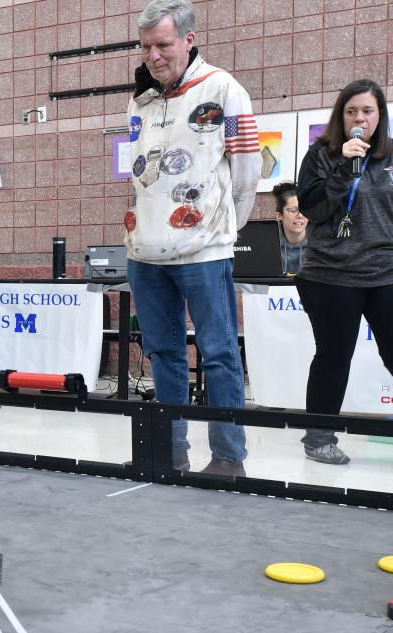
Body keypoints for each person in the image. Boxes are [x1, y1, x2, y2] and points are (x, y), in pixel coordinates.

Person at [124, 0, 261, 476]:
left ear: (189, 39)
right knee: (162, 353)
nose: (153, 55)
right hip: (145, 251)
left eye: (163, 44)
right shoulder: (140, 98)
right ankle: (170, 449)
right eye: (146, 47)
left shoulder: (224, 88)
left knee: (219, 352)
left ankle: (227, 457)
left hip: (204, 250)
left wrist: (221, 229)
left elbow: (246, 173)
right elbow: (140, 174)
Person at [295, 79, 393, 465]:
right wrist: (342, 171)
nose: (359, 118)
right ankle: (318, 439)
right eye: (352, 111)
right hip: (331, 274)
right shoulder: (321, 155)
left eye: (367, 111)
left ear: (380, 116)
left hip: (385, 271)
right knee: (334, 356)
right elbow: (313, 209)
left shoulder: (390, 156)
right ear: (341, 117)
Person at [271, 181, 307, 274]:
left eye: (304, 209)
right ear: (279, 215)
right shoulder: (269, 244)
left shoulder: (320, 242)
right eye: (293, 210)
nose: (300, 215)